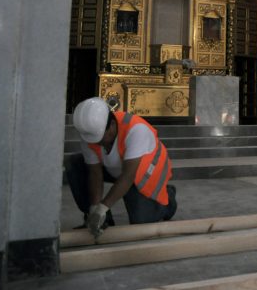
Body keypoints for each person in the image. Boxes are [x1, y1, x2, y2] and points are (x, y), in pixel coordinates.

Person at [65, 97, 177, 237]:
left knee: (141, 221)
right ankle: (103, 220)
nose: (97, 143)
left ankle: (169, 200)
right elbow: (95, 173)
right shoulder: (90, 134)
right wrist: (95, 208)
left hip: (143, 174)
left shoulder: (136, 130)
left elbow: (128, 176)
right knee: (74, 163)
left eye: (100, 138)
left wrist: (103, 207)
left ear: (112, 125)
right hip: (117, 169)